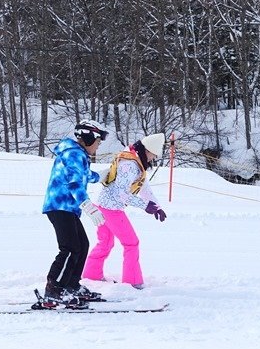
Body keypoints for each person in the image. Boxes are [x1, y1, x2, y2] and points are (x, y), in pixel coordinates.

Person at [81, 133, 167, 289]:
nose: (152, 159)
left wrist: (157, 206)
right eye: (153, 155)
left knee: (105, 242)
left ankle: (91, 275)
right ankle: (132, 281)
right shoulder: (129, 164)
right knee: (131, 243)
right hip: (111, 208)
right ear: (147, 150)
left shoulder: (135, 159)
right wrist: (145, 206)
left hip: (102, 204)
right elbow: (121, 194)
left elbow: (144, 188)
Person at [40, 119, 110, 308]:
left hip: (67, 208)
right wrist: (88, 205)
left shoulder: (77, 154)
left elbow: (82, 175)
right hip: (60, 205)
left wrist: (100, 176)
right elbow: (74, 184)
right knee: (70, 248)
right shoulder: (73, 154)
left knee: (82, 245)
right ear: (88, 138)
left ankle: (71, 285)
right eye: (98, 141)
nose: (98, 146)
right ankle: (54, 290)